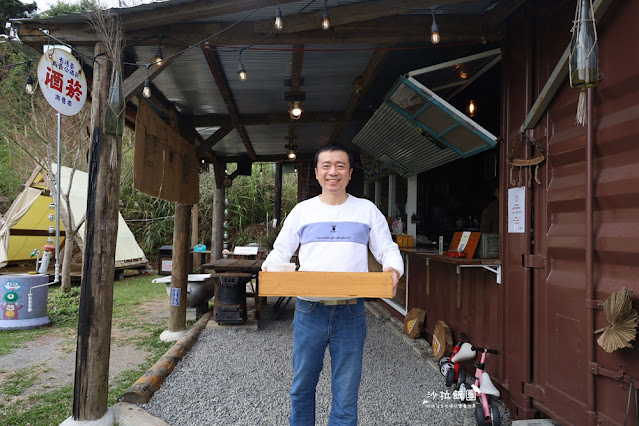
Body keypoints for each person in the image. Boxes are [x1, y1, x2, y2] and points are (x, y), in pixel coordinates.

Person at [261, 143, 403, 426]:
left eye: (340, 166)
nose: (333, 172)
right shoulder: (303, 211)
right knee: (301, 389)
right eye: (326, 166)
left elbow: (388, 249)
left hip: (351, 314)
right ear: (316, 173)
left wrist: (393, 269)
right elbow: (280, 252)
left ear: (350, 173)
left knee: (346, 395)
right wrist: (270, 267)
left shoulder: (367, 211)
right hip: (309, 312)